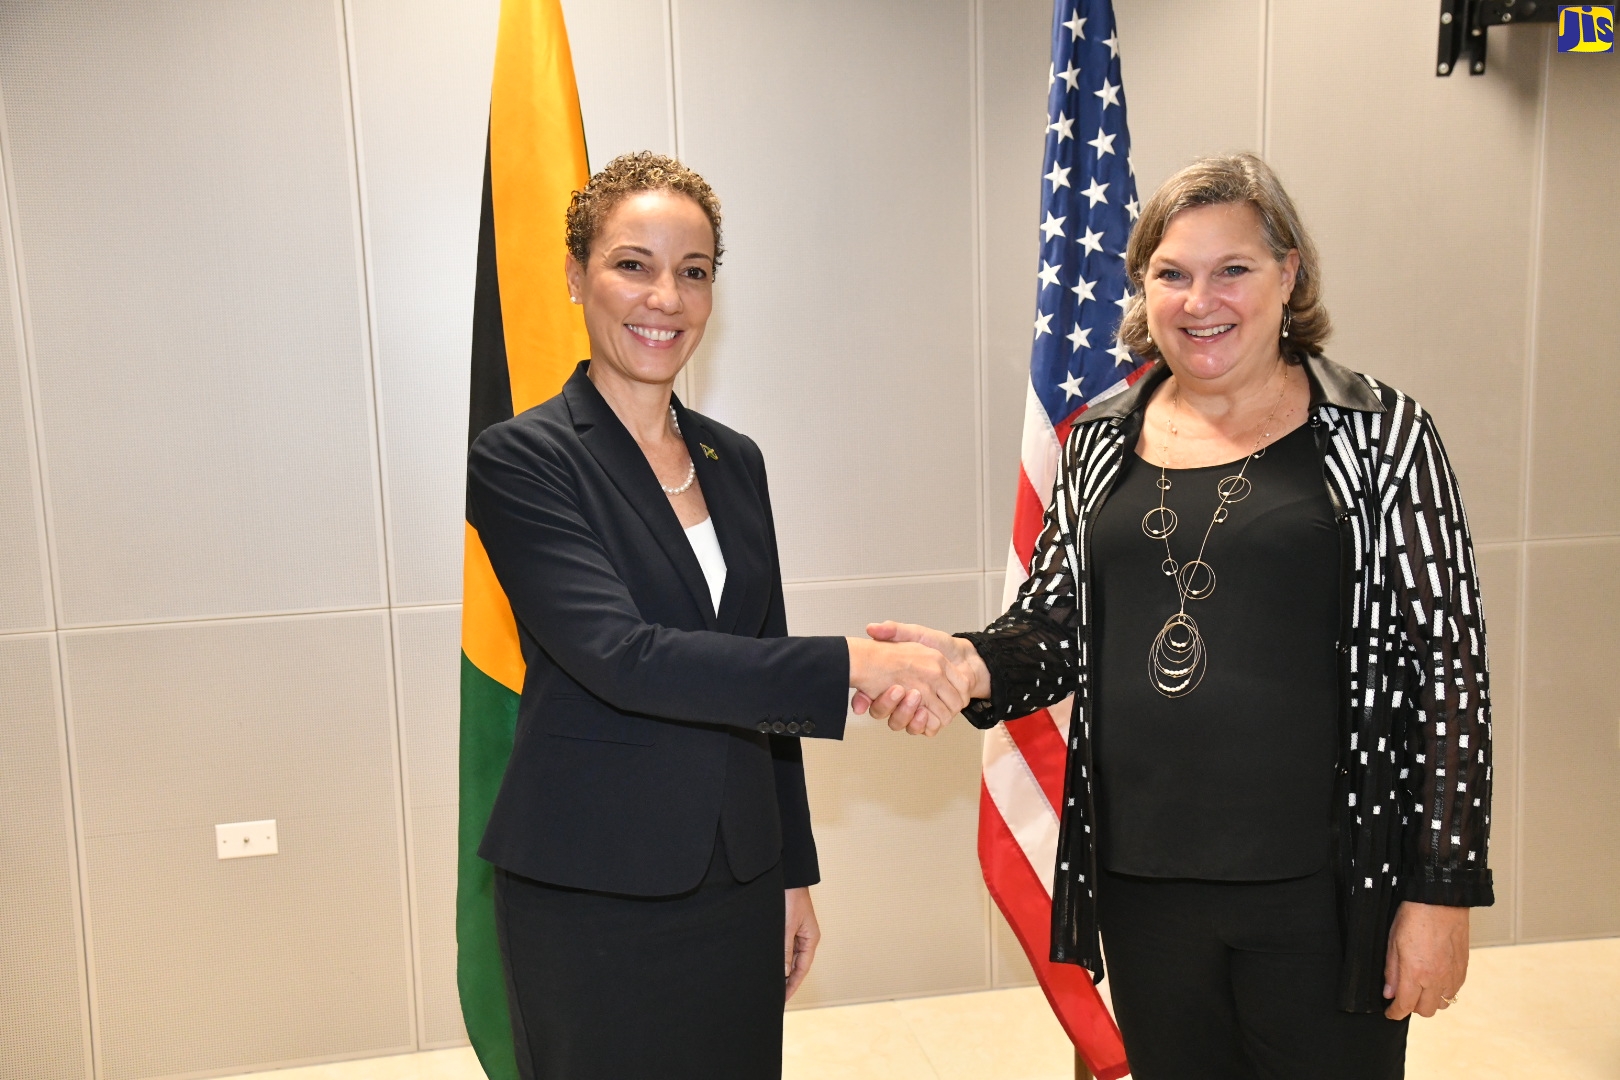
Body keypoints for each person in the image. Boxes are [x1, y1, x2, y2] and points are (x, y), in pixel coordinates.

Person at [858, 153, 1493, 1079]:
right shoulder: (1099, 439)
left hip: (1322, 892)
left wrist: (1441, 891)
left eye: (1232, 269)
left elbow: (1448, 673)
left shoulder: (1381, 435)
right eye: (1172, 274)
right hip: (1144, 887)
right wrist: (969, 663)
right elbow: (1056, 625)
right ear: (1143, 288)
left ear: (1288, 274)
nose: (1201, 301)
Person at [465, 151, 972, 1080]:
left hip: (739, 877)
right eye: (633, 265)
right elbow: (623, 655)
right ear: (576, 276)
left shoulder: (734, 460)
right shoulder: (522, 458)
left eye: (693, 272)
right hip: (592, 886)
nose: (665, 297)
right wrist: (853, 664)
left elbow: (758, 667)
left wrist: (791, 870)